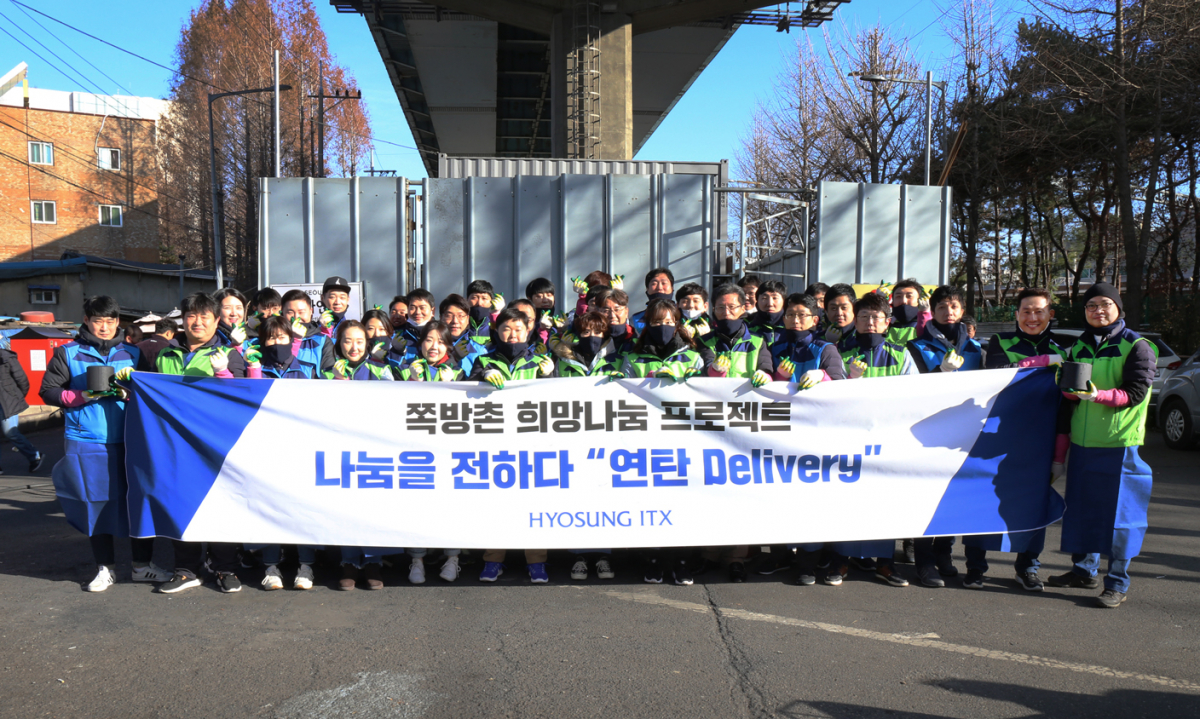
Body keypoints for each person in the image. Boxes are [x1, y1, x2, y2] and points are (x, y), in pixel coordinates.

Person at [40, 296, 170, 592]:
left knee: (139, 500)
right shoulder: (67, 353)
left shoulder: (133, 352)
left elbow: (151, 390)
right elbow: (48, 391)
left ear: (118, 322)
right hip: (86, 439)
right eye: (98, 321)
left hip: (132, 436)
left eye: (110, 321)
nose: (104, 327)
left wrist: (128, 393)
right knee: (94, 502)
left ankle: (142, 566)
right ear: (86, 320)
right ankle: (104, 568)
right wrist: (81, 396)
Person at [1048, 282, 1155, 608]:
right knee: (1082, 510)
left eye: (1105, 304)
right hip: (1083, 443)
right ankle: (1084, 571)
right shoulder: (1079, 346)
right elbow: (1069, 398)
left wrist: (1098, 396)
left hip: (1119, 444)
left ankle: (1117, 582)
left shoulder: (1137, 346)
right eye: (1091, 305)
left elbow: (1136, 392)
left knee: (1122, 517)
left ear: (1118, 308)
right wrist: (1068, 390)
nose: (1098, 310)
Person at [152, 293, 248, 594]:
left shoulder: (229, 354)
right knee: (180, 505)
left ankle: (225, 568)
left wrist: (224, 373)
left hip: (215, 445)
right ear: (183, 319)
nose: (197, 322)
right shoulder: (164, 355)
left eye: (205, 316)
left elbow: (241, 396)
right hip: (174, 445)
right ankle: (186, 570)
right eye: (191, 315)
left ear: (217, 320)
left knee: (221, 504)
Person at [974, 287, 1067, 592]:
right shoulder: (1001, 342)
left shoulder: (1064, 351)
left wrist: (1059, 456)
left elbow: (1067, 406)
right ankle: (975, 567)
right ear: (1016, 315)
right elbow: (998, 374)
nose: (1032, 317)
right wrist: (1042, 362)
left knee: (1034, 505)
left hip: (1040, 443)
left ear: (1050, 315)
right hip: (997, 439)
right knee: (984, 500)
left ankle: (1027, 568)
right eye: (1026, 311)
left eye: (1039, 311)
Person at [824, 291, 916, 588]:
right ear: (855, 320)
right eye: (863, 316)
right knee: (846, 500)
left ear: (887, 322)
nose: (870, 322)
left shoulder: (901, 354)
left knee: (884, 501)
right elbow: (828, 394)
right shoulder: (840, 351)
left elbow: (915, 396)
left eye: (876, 317)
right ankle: (841, 559)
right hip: (848, 438)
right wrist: (850, 381)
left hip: (886, 440)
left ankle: (885, 563)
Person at [468, 307, 554, 583]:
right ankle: (493, 560)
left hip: (532, 445)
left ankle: (537, 561)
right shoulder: (484, 360)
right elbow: (464, 394)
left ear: (529, 331)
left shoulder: (538, 362)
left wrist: (549, 377)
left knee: (534, 504)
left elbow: (556, 401)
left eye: (518, 329)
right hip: (496, 446)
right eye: (506, 329)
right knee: (497, 504)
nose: (512, 334)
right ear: (497, 331)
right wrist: (481, 377)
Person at [906, 285, 984, 588]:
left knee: (952, 497)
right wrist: (941, 372)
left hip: (963, 435)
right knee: (925, 497)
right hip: (926, 433)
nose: (948, 312)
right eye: (941, 307)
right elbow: (912, 391)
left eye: (953, 306)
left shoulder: (975, 348)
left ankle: (943, 554)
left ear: (962, 311)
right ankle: (924, 562)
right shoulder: (916, 346)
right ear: (933, 311)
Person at [695, 284, 773, 582]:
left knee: (742, 493)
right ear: (712, 310)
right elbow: (701, 371)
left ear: (743, 308)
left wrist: (767, 375)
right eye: (720, 308)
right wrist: (712, 371)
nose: (726, 312)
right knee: (711, 491)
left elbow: (767, 368)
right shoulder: (705, 340)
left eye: (732, 307)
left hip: (747, 427)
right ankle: (708, 554)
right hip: (711, 426)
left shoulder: (758, 340)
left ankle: (737, 558)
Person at [242, 316, 323, 591]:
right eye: (270, 338)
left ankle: (306, 565)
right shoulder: (255, 368)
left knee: (303, 507)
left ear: (292, 339)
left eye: (281, 337)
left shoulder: (307, 369)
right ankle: (270, 566)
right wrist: (253, 371)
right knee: (268, 507)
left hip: (301, 449)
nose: (276, 342)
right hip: (264, 449)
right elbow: (247, 402)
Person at [0, 336, 44, 474]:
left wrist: (16, 398)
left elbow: (22, 380)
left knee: (10, 432)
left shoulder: (6, 358)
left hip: (8, 402)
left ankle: (34, 456)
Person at [552, 311, 625, 378]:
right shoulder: (563, 362)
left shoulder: (617, 361)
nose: (592, 336)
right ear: (579, 335)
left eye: (597, 332)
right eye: (586, 332)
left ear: (604, 335)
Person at [280, 289, 335, 376]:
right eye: (290, 312)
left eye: (301, 312)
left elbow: (330, 374)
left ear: (311, 311)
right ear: (282, 313)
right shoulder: (274, 339)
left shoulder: (323, 341)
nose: (296, 317)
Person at [439, 294, 487, 376]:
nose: (455, 321)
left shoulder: (479, 351)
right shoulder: (433, 347)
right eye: (449, 316)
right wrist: (453, 358)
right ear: (441, 318)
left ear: (467, 319)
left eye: (460, 316)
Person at [750, 280, 788, 360]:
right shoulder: (748, 327)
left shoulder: (791, 326)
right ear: (757, 302)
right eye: (764, 298)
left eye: (775, 298)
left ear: (784, 301)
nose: (770, 303)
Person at [630, 267, 675, 333]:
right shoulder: (636, 319)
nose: (659, 288)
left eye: (664, 283)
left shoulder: (682, 316)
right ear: (647, 289)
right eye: (654, 284)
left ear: (672, 288)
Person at [887, 278, 930, 346]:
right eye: (898, 296)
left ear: (919, 300)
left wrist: (925, 314)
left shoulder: (929, 324)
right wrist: (878, 306)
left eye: (909, 296)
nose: (903, 301)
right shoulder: (886, 322)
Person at [597, 288, 639, 356]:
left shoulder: (637, 340)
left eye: (617, 310)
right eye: (606, 311)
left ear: (626, 312)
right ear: (598, 313)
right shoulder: (592, 339)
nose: (612, 315)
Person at [823, 283, 859, 355]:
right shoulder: (819, 338)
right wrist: (828, 343)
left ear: (854, 308)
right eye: (833, 308)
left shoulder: (863, 336)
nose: (839, 313)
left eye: (844, 308)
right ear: (826, 311)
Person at [213, 288, 251, 352]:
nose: (234, 313)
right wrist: (235, 346)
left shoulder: (253, 337)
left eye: (239, 308)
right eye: (227, 308)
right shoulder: (211, 338)